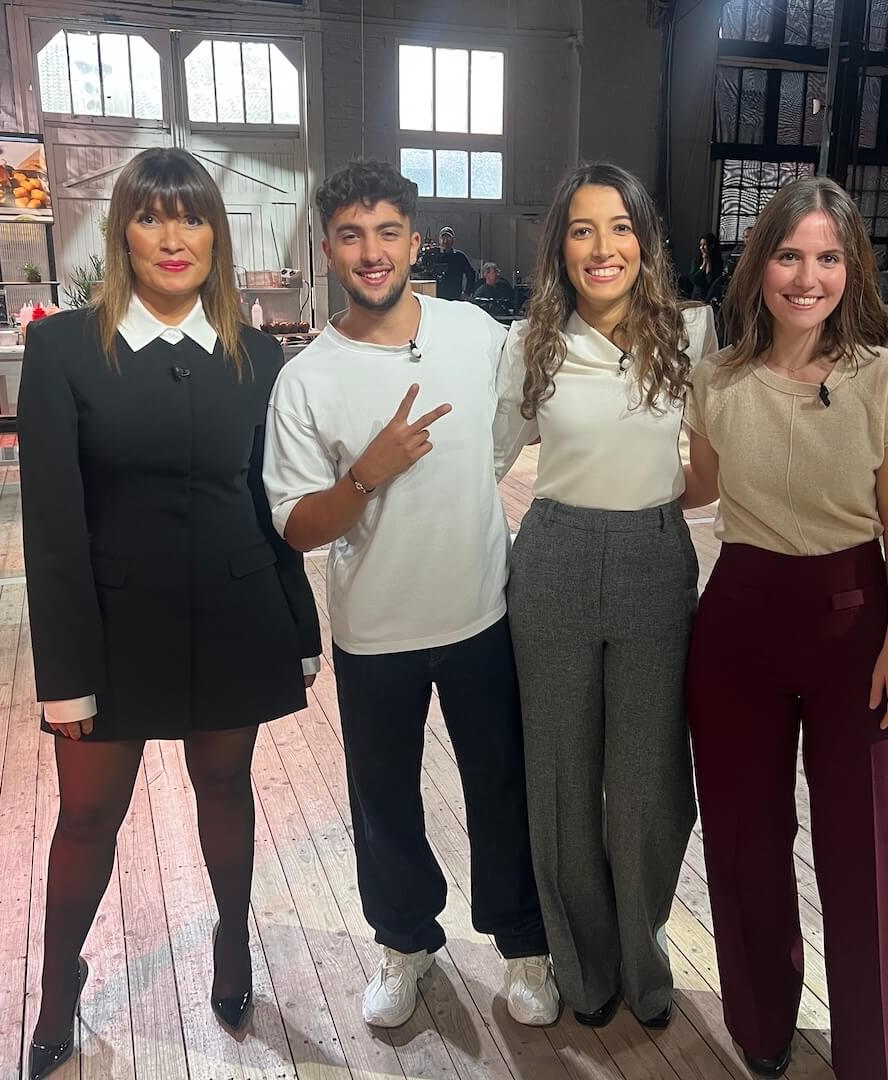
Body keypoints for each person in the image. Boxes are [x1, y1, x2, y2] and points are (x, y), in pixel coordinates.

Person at [18, 148, 322, 1080]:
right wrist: (64, 676)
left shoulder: (258, 352)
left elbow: (267, 502)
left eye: (191, 219)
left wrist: (300, 628)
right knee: (87, 820)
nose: (173, 237)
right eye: (152, 218)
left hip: (235, 619)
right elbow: (53, 532)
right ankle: (57, 987)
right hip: (111, 634)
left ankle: (233, 942)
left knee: (226, 791)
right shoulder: (66, 348)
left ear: (215, 236)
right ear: (124, 232)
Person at [263, 159, 558, 1030]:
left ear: (415, 241)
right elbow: (296, 525)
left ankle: (523, 944)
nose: (372, 250)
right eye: (351, 235)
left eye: (387, 232)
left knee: (501, 785)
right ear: (327, 248)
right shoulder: (307, 378)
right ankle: (404, 943)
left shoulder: (475, 333)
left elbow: (511, 433)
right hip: (374, 629)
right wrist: (365, 476)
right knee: (383, 798)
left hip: (480, 612)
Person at [683, 176, 888, 1080]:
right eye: (790, 255)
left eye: (828, 257)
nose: (807, 276)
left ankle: (870, 1050)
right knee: (745, 838)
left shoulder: (885, 380)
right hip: (739, 619)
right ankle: (759, 1023)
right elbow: (700, 488)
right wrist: (602, 479)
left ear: (850, 269)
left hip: (854, 623)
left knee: (869, 846)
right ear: (760, 267)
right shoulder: (715, 379)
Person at [494, 162, 718, 1030]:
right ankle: (583, 967)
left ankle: (641, 949)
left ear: (644, 241)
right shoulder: (532, 342)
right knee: (558, 776)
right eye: (582, 230)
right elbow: (486, 460)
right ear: (560, 247)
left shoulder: (691, 335)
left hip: (655, 561)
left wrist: (657, 505)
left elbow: (712, 468)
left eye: (618, 228)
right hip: (552, 558)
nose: (602, 247)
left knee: (649, 781)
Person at [435, 225, 478, 300]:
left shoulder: (459, 257)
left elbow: (471, 274)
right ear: (439, 240)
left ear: (453, 240)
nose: (445, 241)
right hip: (435, 297)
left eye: (448, 238)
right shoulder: (434, 256)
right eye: (443, 238)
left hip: (454, 297)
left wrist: (467, 292)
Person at [687, 232, 726, 301]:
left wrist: (709, 263)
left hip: (710, 296)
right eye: (700, 245)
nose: (701, 248)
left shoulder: (718, 262)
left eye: (704, 245)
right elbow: (693, 279)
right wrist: (703, 264)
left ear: (712, 246)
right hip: (696, 295)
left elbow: (710, 281)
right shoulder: (696, 260)